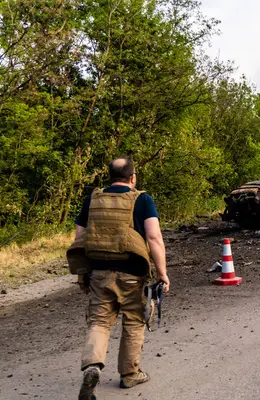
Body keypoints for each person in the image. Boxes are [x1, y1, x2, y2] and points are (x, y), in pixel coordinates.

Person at [70, 157, 170, 400]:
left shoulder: (94, 198)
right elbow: (154, 237)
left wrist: (84, 272)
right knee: (134, 322)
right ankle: (129, 373)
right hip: (131, 273)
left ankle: (93, 365)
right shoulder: (142, 199)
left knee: (100, 322)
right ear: (132, 177)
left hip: (98, 272)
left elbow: (80, 235)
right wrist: (162, 273)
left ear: (110, 177)